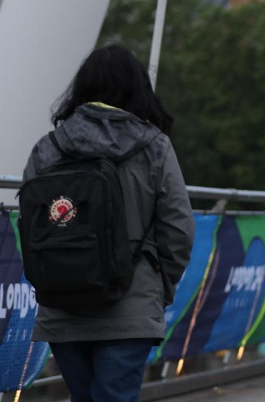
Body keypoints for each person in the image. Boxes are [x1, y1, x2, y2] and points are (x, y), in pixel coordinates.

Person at [22, 44, 194, 401]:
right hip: (130, 305)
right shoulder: (154, 147)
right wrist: (160, 287)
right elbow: (178, 229)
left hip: (62, 306)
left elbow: (30, 225)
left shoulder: (47, 149)